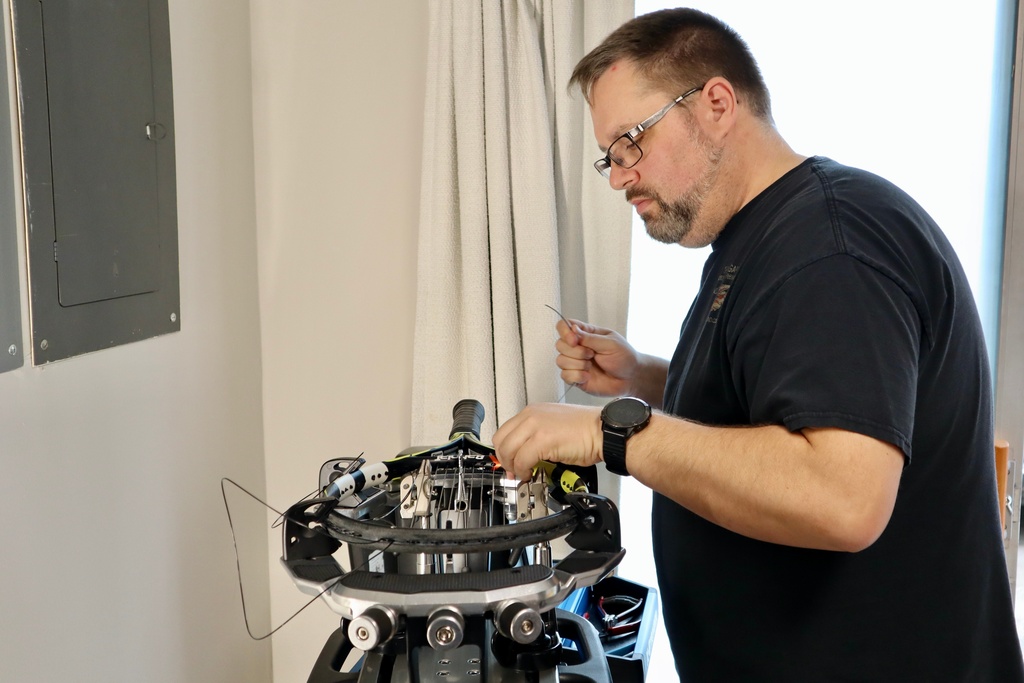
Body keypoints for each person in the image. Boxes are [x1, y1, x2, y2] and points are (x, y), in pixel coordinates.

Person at [492, 7, 1024, 681]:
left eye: (631, 141)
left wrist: (614, 432)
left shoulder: (832, 246)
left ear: (716, 102)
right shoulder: (767, 238)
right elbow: (774, 402)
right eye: (610, 156)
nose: (620, 176)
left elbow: (844, 496)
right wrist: (644, 377)